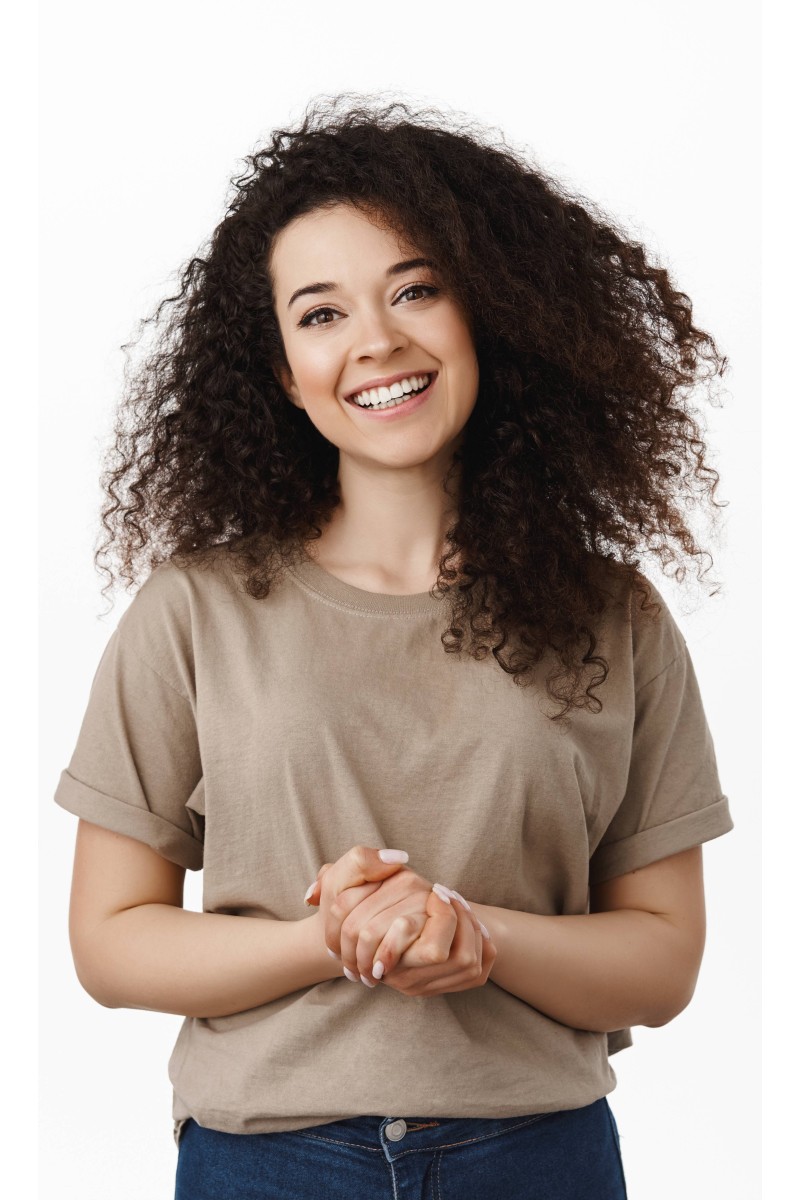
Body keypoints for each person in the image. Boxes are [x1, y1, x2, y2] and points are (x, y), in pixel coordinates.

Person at [55, 96, 734, 1199]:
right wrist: (338, 939)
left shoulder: (614, 614)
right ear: (279, 368)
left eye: (415, 289)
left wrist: (476, 934)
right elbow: (110, 940)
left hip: (534, 1157)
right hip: (266, 1161)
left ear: (490, 312)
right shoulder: (192, 611)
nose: (376, 340)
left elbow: (660, 963)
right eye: (319, 314)